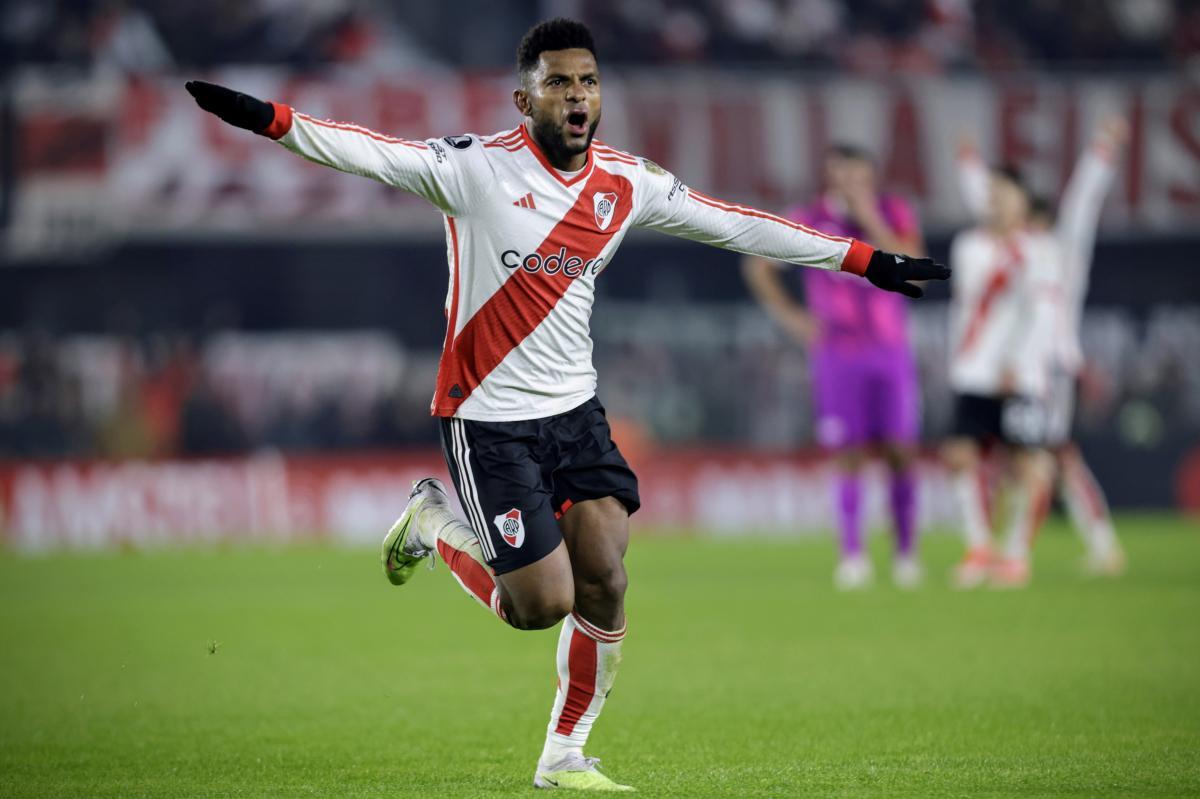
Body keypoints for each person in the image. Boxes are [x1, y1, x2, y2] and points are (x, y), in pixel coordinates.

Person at [186, 18, 947, 791]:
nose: (576, 96)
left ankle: (564, 754)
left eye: (587, 81)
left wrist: (866, 260)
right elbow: (367, 150)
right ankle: (431, 521)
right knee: (538, 605)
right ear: (525, 98)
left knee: (606, 578)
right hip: (485, 417)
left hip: (574, 413)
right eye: (558, 82)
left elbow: (734, 224)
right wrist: (269, 119)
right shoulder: (474, 170)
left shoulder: (627, 182)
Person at [742, 145, 925, 590]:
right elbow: (758, 267)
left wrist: (873, 220)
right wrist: (795, 320)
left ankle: (905, 555)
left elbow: (916, 273)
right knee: (848, 454)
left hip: (890, 351)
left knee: (901, 451)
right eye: (843, 177)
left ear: (872, 179)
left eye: (860, 178)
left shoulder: (892, 213)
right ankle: (853, 555)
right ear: (830, 178)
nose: (852, 186)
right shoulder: (810, 219)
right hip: (839, 355)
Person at [956, 120, 1127, 576]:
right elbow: (987, 203)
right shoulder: (1020, 248)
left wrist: (1102, 151)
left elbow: (1082, 205)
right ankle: (1094, 543)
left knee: (1052, 457)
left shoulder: (1061, 250)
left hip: (1048, 366)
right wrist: (969, 166)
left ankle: (1092, 544)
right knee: (1048, 457)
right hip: (1029, 367)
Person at [944, 163, 1061, 589]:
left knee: (1029, 463)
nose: (995, 201)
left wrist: (1022, 362)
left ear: (1022, 202)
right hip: (974, 371)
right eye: (991, 193)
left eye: (1004, 194)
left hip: (1020, 377)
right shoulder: (969, 245)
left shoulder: (1041, 249)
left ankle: (1016, 555)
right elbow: (972, 304)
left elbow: (1043, 313)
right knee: (959, 455)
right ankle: (979, 546)